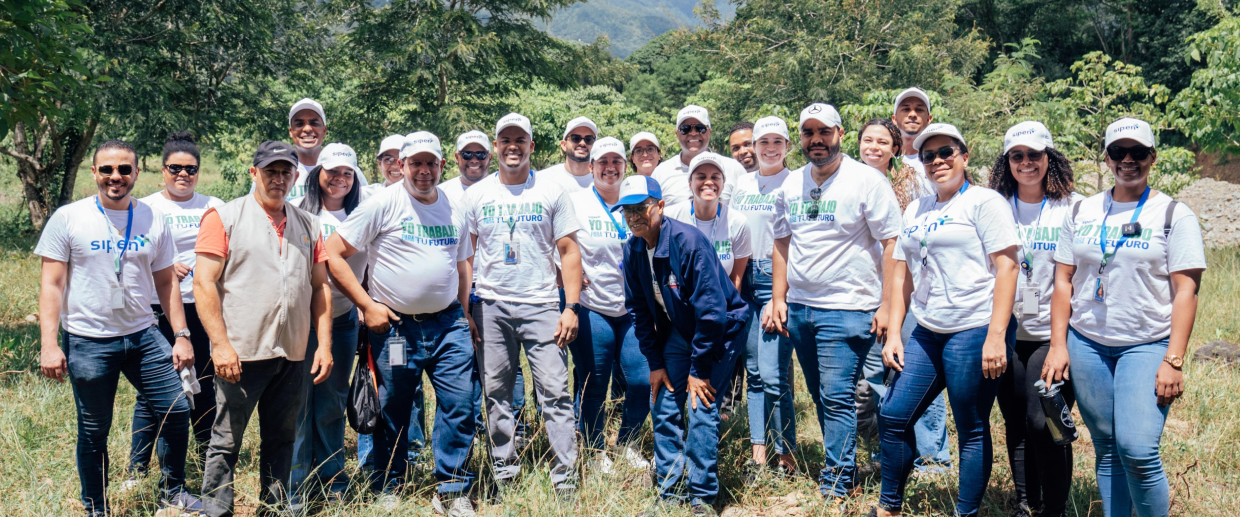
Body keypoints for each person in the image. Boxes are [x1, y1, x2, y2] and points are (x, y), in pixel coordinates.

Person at [1045, 118, 1206, 517]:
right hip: (1087, 344)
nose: (1128, 160)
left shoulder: (1172, 214)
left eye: (1138, 153)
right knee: (1106, 446)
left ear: (1153, 157)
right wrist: (1059, 344)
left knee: (1137, 448)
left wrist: (1174, 359)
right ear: (1107, 158)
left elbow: (1186, 290)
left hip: (1146, 343)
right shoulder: (1081, 209)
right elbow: (1063, 279)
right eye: (1118, 152)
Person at [36, 139, 203, 516]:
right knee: (95, 431)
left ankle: (172, 493)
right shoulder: (68, 218)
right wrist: (50, 343)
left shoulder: (150, 217)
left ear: (137, 173)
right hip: (88, 340)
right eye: (108, 169)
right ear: (94, 172)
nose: (116, 177)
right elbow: (52, 284)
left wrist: (180, 335)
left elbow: (165, 282)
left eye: (125, 169)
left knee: (176, 411)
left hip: (144, 335)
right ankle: (97, 506)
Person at [326, 131, 481, 514]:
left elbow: (462, 263)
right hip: (395, 329)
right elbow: (332, 251)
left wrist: (463, 311)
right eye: (416, 163)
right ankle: (389, 483)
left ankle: (452, 487)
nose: (424, 171)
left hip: (448, 326)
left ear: (442, 166)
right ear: (401, 166)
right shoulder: (384, 204)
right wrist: (366, 305)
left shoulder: (454, 206)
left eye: (431, 163)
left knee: (460, 404)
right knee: (392, 406)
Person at [874, 123, 1020, 517]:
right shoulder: (916, 208)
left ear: (964, 156)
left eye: (945, 153)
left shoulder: (985, 203)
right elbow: (901, 273)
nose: (937, 161)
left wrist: (996, 336)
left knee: (970, 427)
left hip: (973, 329)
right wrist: (893, 334)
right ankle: (890, 507)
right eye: (928, 156)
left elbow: (1007, 268)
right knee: (892, 415)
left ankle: (965, 512)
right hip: (928, 330)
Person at [764, 104, 903, 504]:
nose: (816, 140)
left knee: (837, 395)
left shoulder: (866, 181)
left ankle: (837, 482)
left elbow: (893, 242)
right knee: (820, 394)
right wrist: (778, 297)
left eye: (824, 131)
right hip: (803, 307)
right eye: (808, 132)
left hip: (848, 307)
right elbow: (781, 241)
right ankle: (846, 465)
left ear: (840, 134)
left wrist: (886, 304)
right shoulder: (791, 183)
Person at [195, 141, 335, 517]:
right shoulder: (224, 217)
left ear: (295, 176)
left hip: (292, 352)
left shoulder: (308, 223)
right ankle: (216, 510)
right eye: (271, 171)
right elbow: (204, 283)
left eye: (286, 172)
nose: (279, 179)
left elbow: (320, 286)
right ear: (253, 173)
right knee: (226, 441)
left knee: (282, 438)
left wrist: (323, 345)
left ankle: (271, 510)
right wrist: (220, 346)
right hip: (241, 352)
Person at [463, 112, 582, 496]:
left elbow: (568, 251)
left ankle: (566, 475)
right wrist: (467, 309)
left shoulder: (550, 192)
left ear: (532, 146)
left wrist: (571, 307)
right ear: (496, 146)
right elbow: (467, 255)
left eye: (520, 140)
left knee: (555, 392)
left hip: (542, 304)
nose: (512, 146)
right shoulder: (476, 195)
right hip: (492, 306)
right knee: (496, 392)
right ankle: (505, 471)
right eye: (505, 140)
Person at [616, 175, 749, 515]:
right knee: (662, 403)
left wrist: (700, 369)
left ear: (660, 206)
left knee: (700, 406)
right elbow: (640, 312)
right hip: (681, 331)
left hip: (720, 331)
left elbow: (713, 313)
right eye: (627, 211)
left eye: (641, 208)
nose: (634, 217)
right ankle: (669, 492)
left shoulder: (688, 243)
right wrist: (656, 364)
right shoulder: (633, 251)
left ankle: (702, 497)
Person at [982, 121, 1082, 517]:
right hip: (1005, 333)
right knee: (1016, 421)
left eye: (1035, 155)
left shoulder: (1074, 206)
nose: (1026, 163)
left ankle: (1055, 508)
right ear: (1007, 161)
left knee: (1045, 421)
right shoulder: (992, 205)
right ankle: (1027, 502)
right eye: (1017, 156)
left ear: (1049, 158)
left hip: (1053, 334)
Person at [125, 132, 225, 488]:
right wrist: (167, 269)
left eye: (191, 169)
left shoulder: (214, 205)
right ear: (162, 171)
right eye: (175, 168)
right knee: (155, 389)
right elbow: (135, 259)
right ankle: (137, 469)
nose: (183, 175)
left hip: (204, 307)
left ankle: (205, 457)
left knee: (206, 384)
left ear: (199, 172)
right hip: (161, 308)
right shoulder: (146, 208)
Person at [854, 118, 952, 473]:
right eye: (868, 140)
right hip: (866, 291)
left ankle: (933, 456)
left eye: (883, 141)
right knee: (881, 376)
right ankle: (894, 454)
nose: (874, 147)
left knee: (915, 370)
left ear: (896, 148)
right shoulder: (850, 181)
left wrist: (891, 301)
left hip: (908, 292)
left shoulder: (912, 183)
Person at [566, 137, 653, 473]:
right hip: (593, 307)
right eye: (603, 162)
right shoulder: (575, 203)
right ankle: (595, 448)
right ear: (591, 168)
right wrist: (568, 278)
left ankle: (628, 442)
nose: (610, 167)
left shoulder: (636, 202)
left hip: (632, 310)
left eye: (617, 161)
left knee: (642, 379)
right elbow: (555, 246)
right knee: (594, 381)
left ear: (625, 166)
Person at [289, 143, 367, 503]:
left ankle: (333, 479)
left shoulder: (363, 215)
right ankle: (297, 483)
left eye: (347, 173)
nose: (339, 179)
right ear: (316, 174)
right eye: (332, 171)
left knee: (333, 401)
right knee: (300, 402)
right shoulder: (300, 214)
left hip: (344, 319)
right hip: (303, 322)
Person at [664, 152, 753, 431]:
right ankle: (671, 451)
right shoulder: (672, 217)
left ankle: (703, 448)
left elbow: (736, 278)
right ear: (690, 183)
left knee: (706, 393)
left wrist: (719, 321)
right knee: (674, 392)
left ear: (724, 183)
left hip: (717, 319)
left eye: (715, 177)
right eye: (701, 176)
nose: (708, 182)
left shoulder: (737, 222)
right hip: (679, 319)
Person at [730, 116, 795, 475]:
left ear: (788, 146)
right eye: (763, 142)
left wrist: (778, 293)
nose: (770, 148)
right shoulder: (741, 184)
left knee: (775, 373)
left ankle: (786, 454)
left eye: (777, 142)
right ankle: (759, 454)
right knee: (754, 372)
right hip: (745, 275)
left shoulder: (796, 182)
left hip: (777, 278)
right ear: (753, 146)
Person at [651, 105, 745, 206]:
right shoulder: (660, 173)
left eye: (700, 128)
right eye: (685, 129)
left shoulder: (734, 169)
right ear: (677, 134)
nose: (693, 133)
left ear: (709, 131)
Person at [282, 98, 368, 199]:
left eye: (314, 123)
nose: (307, 129)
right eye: (299, 124)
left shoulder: (349, 170)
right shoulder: (280, 171)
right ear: (291, 131)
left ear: (324, 130)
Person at [890, 88, 935, 198]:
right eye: (906, 109)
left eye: (919, 110)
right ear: (894, 119)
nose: (913, 114)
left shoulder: (939, 159)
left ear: (929, 119)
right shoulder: (883, 159)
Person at [543, 116, 599, 193]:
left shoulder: (604, 181)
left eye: (588, 139)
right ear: (564, 145)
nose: (582, 143)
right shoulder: (546, 179)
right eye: (575, 138)